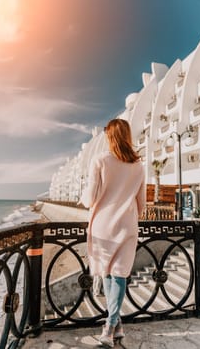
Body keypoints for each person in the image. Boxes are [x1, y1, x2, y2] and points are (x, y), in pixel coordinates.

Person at [80, 118, 146, 347]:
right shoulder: (138, 165)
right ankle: (116, 325)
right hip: (127, 225)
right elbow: (142, 204)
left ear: (110, 137)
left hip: (103, 226)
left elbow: (89, 199)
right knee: (118, 274)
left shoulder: (99, 161)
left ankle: (108, 326)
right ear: (127, 136)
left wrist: (84, 197)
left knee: (108, 274)